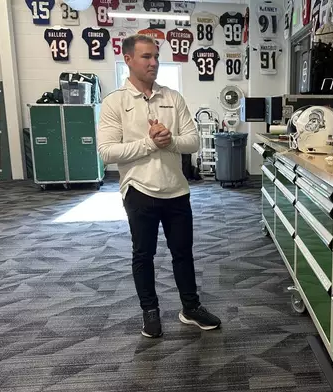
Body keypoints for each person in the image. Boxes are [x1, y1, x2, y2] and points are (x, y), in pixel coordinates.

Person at [97, 34, 221, 338]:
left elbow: (192, 142)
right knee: (144, 254)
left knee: (183, 253)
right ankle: (149, 311)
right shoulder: (116, 102)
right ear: (128, 60)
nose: (154, 62)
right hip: (139, 190)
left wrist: (170, 141)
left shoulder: (173, 98)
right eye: (146, 57)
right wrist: (149, 144)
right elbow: (107, 152)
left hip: (177, 191)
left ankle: (190, 308)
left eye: (155, 57)